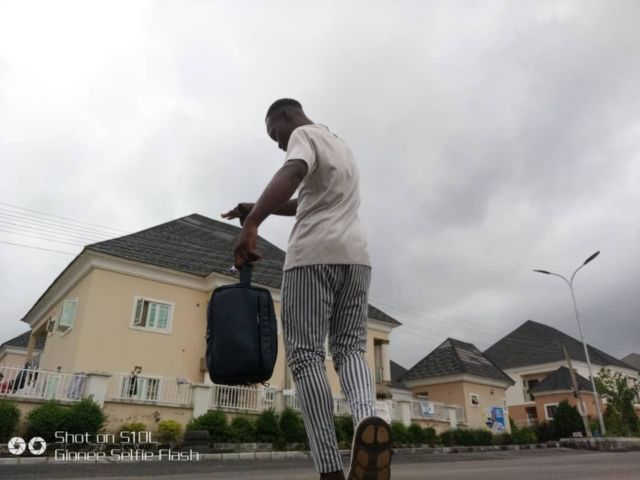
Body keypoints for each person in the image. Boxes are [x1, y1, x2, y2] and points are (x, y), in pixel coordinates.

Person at [222, 99, 392, 480]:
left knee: (305, 356)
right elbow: (306, 199)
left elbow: (292, 171)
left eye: (275, 134)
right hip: (357, 259)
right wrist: (257, 205)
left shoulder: (303, 134)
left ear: (287, 116)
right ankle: (368, 423)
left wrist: (252, 222)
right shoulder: (342, 146)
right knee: (350, 348)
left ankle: (329, 467)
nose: (278, 143)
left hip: (312, 257)